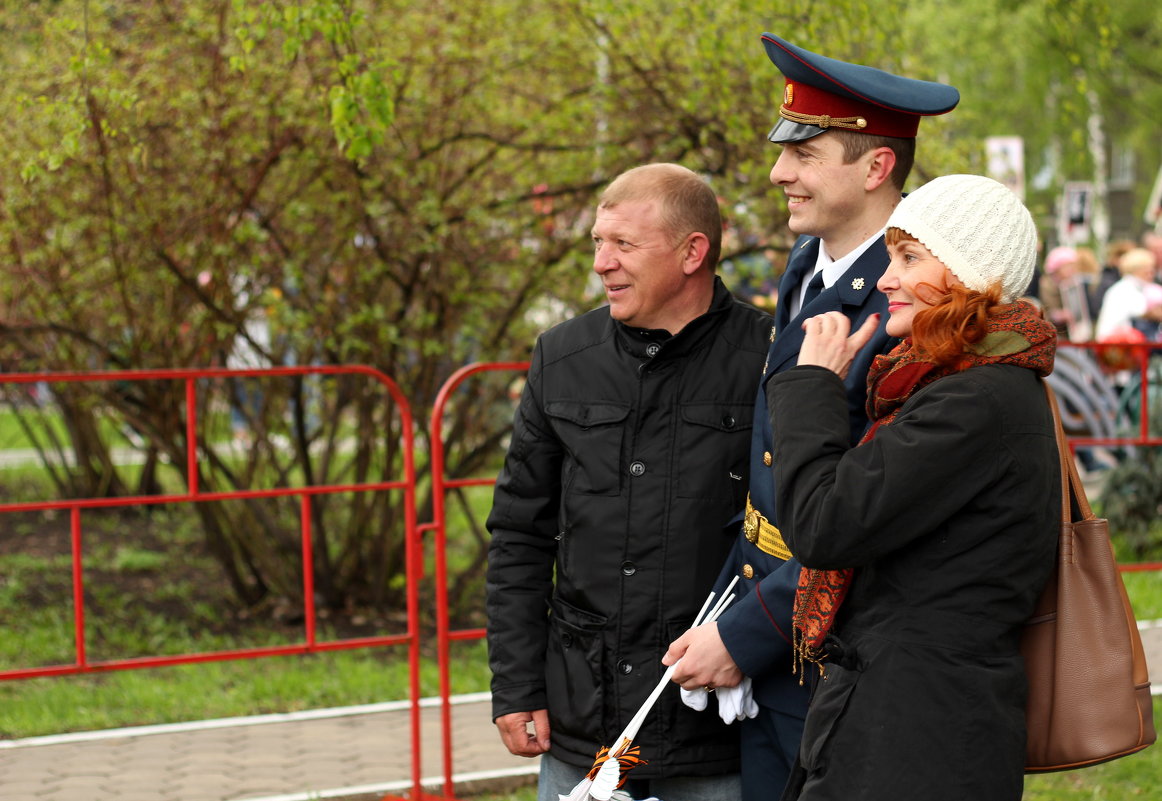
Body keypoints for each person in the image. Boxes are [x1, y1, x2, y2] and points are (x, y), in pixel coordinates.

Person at [662, 33, 959, 799]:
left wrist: (747, 633)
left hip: (840, 662)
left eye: (805, 152)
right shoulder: (808, 266)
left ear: (876, 166)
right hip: (776, 647)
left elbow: (870, 513)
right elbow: (772, 475)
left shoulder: (913, 311)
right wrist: (730, 614)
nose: (778, 172)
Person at [485, 163, 773, 801]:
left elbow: (802, 533)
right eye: (597, 242)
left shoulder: (770, 358)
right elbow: (518, 535)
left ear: (692, 251)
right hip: (581, 726)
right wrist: (516, 687)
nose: (601, 263)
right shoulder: (562, 358)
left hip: (716, 730)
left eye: (623, 245)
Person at [772, 174, 1059, 800]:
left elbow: (825, 525)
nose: (884, 278)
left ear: (969, 275)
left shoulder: (975, 400)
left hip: (917, 739)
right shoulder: (963, 384)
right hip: (909, 720)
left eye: (909, 258)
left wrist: (813, 387)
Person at [1095, 246, 1162, 342]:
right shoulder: (1126, 289)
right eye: (1147, 270)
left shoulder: (1129, 287)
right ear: (1136, 269)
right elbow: (1144, 313)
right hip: (1118, 345)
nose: (1151, 273)